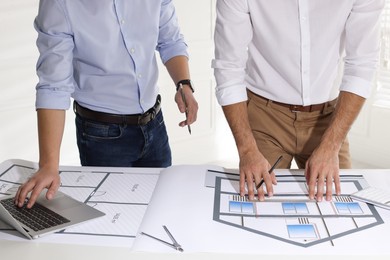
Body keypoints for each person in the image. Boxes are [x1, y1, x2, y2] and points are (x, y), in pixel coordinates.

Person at [15, 0, 198, 208]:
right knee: (116, 217)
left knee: (161, 209)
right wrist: (48, 165)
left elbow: (170, 40)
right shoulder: (60, 3)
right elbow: (53, 86)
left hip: (155, 125)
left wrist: (183, 84)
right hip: (102, 136)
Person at [212, 0, 384, 202]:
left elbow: (361, 66)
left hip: (327, 118)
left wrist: (331, 146)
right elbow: (228, 68)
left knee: (339, 206)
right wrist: (247, 150)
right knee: (260, 206)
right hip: (264, 116)